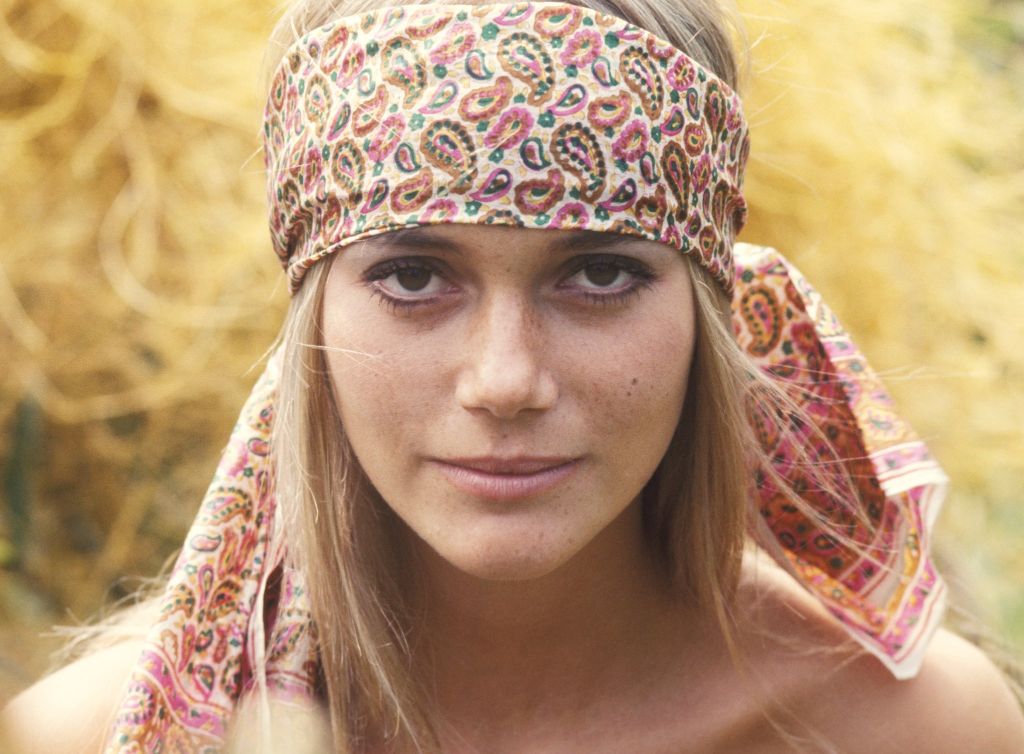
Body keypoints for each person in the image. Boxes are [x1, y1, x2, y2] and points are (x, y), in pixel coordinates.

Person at [4, 0, 1023, 751]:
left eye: (599, 271)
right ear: (311, 316)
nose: (504, 380)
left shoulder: (906, 728)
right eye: (412, 275)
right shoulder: (96, 739)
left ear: (711, 307)